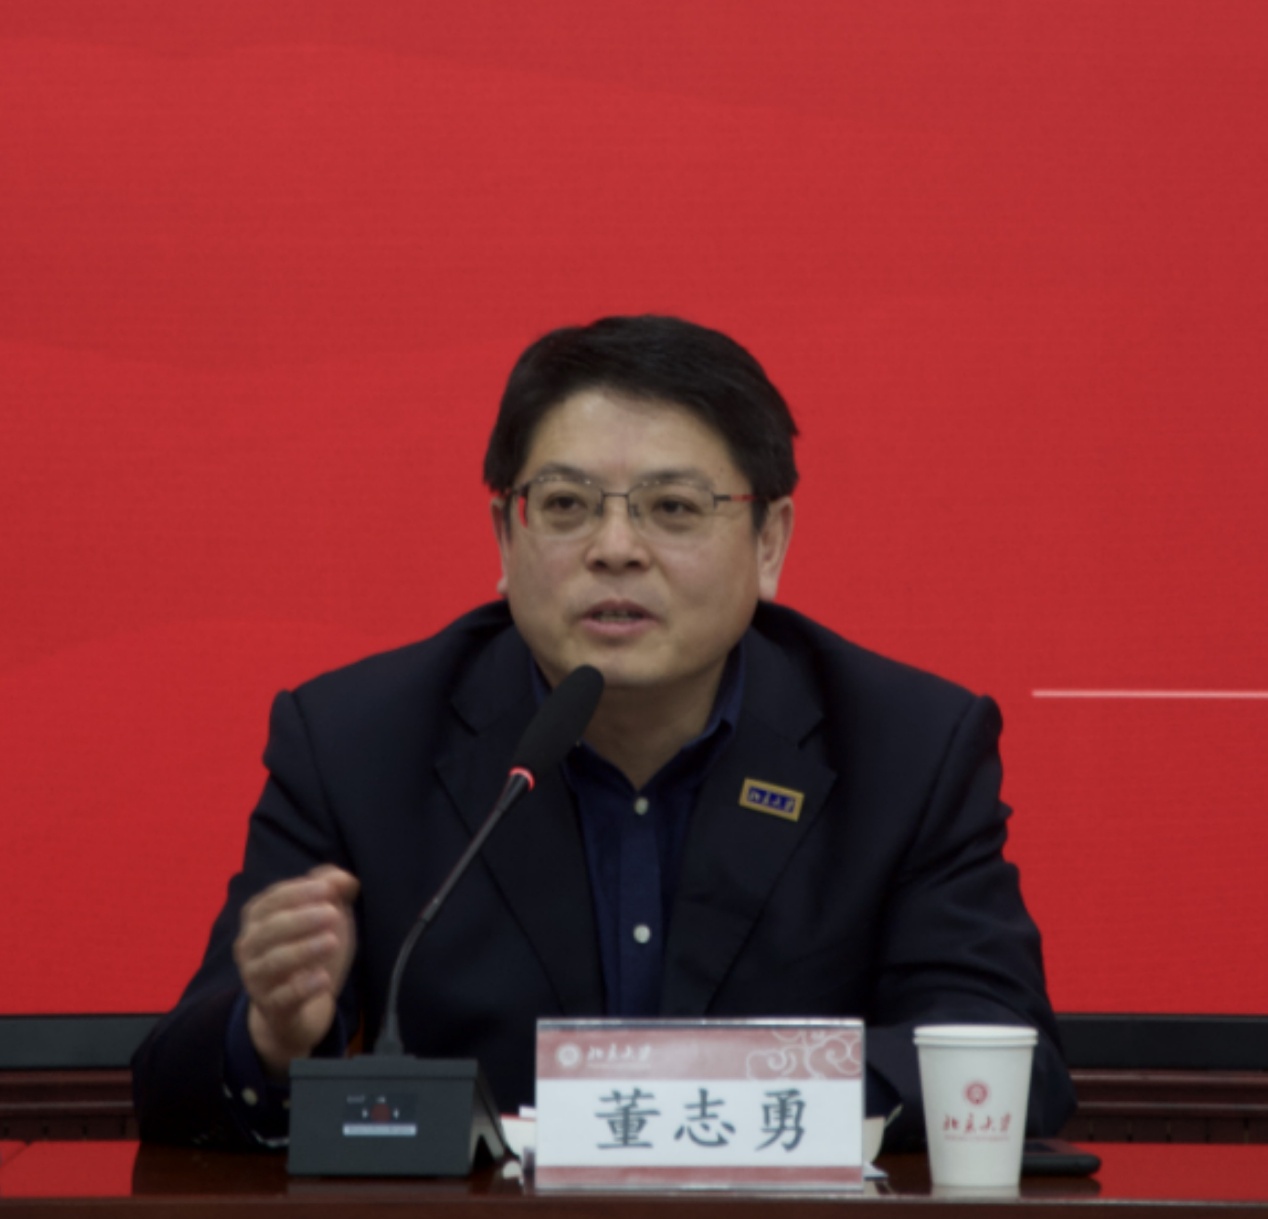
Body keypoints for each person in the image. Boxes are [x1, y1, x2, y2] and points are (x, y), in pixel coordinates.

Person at [132, 315, 1076, 1150]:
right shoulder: (357, 742)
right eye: (566, 505)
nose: (615, 548)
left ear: (770, 541)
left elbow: (1004, 1058)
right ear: (505, 537)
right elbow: (173, 1087)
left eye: (674, 508)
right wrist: (269, 1036)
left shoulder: (907, 747)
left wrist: (709, 1113)